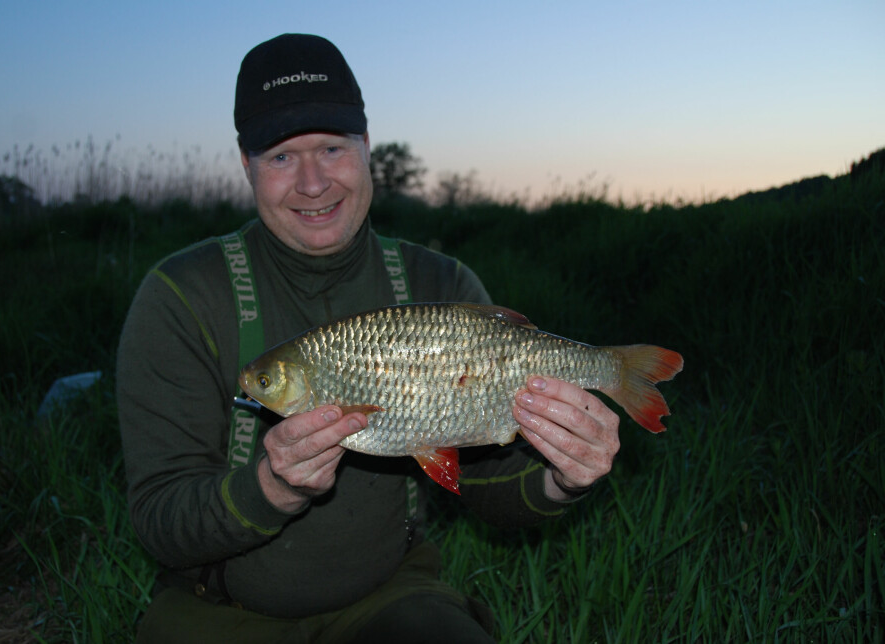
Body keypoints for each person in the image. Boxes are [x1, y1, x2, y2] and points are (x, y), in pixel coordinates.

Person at [117, 33, 620, 643]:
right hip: (220, 611)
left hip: (390, 597)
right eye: (280, 157)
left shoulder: (442, 282)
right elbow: (159, 517)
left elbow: (488, 479)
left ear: (366, 147)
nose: (312, 182)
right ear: (245, 165)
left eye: (331, 147)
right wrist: (270, 488)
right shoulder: (181, 296)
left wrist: (561, 478)